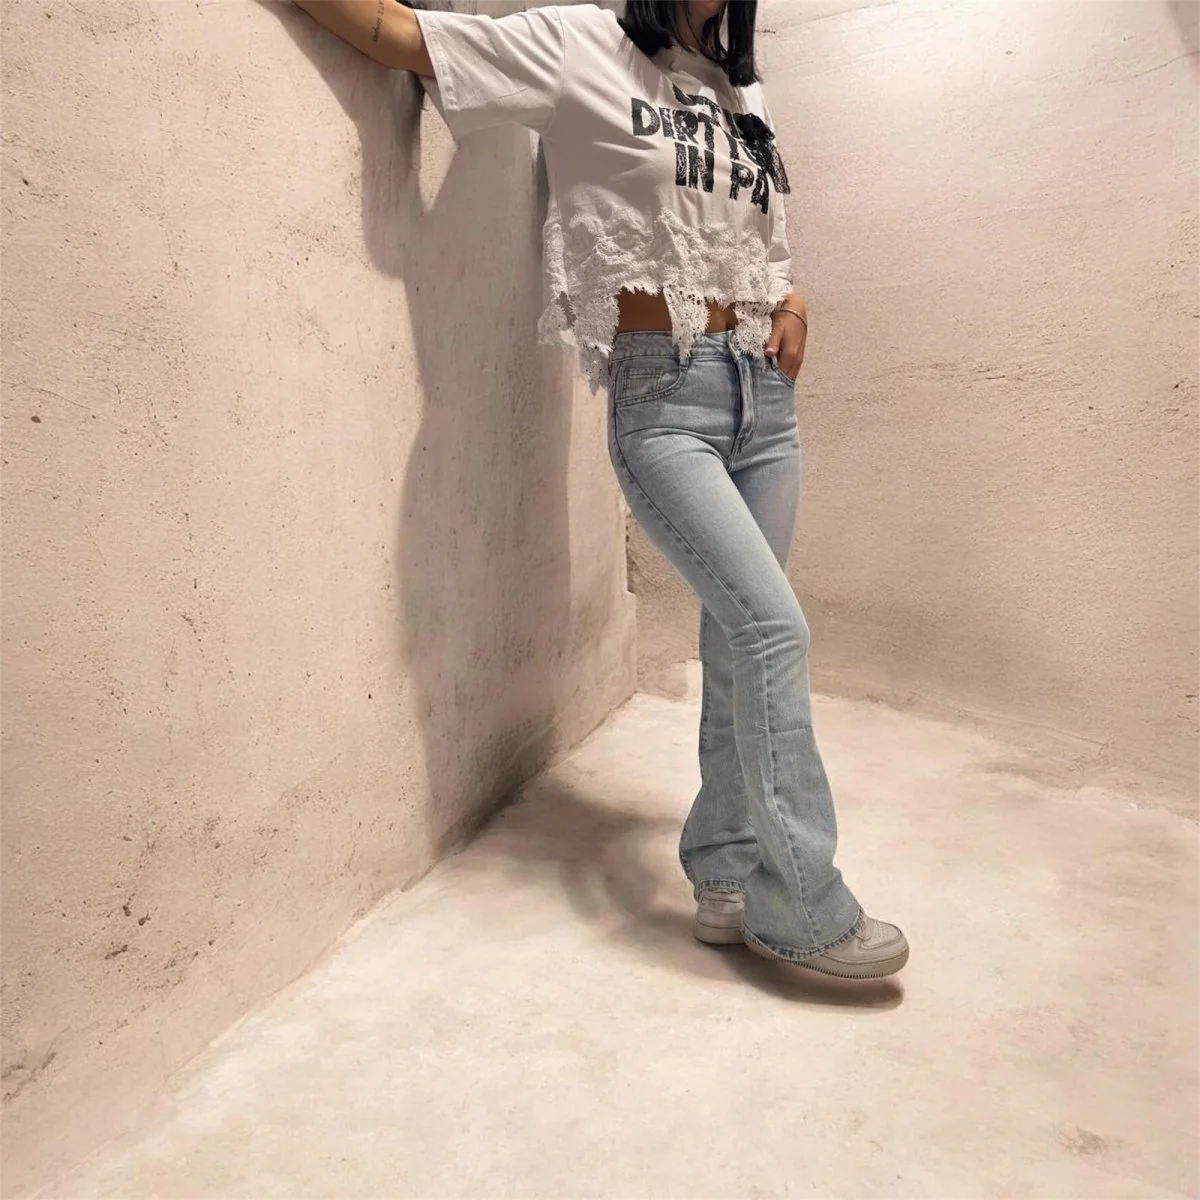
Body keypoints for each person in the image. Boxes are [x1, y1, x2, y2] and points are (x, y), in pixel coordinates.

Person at [294, 0, 909, 979]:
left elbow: (758, 242)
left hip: (764, 403)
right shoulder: (583, 44)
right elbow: (407, 40)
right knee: (773, 631)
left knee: (735, 642)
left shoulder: (741, 88)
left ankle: (726, 875)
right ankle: (803, 905)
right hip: (666, 402)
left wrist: (792, 301)